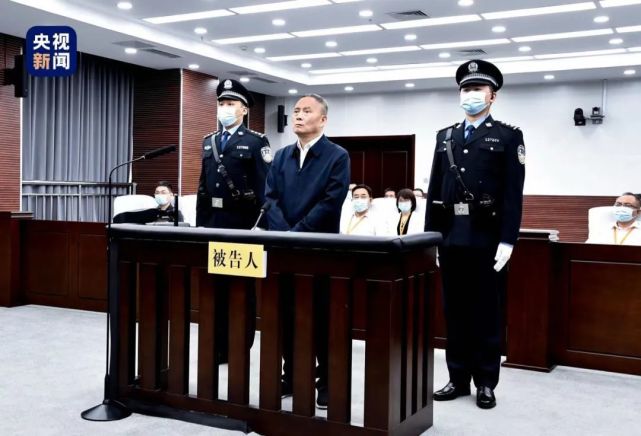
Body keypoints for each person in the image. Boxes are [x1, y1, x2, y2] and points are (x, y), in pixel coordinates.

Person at [425, 59, 525, 409]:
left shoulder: (508, 136)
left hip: (487, 238)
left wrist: (508, 239)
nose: (470, 94)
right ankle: (457, 377)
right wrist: (431, 238)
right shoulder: (445, 136)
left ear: (492, 96)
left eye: (477, 89)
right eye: (465, 89)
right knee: (454, 311)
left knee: (485, 312)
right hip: (451, 236)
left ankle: (485, 381)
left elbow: (513, 193)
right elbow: (435, 191)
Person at [265, 93, 350, 409]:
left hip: (319, 251)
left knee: (323, 319)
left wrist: (296, 233)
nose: (298, 115)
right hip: (285, 251)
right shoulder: (281, 155)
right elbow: (270, 198)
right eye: (296, 110)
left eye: (306, 111)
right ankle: (291, 376)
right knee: (288, 316)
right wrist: (284, 234)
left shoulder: (337, 156)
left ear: (323, 119)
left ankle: (326, 381)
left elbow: (331, 201)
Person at [196, 78, 272, 364]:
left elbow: (265, 189)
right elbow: (203, 186)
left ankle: (239, 345)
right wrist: (200, 225)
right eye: (221, 103)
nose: (224, 108)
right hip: (213, 224)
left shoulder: (255, 141)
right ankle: (218, 346)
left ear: (244, 110)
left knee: (241, 289)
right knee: (215, 288)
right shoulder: (209, 141)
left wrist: (260, 227)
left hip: (242, 225)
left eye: (230, 104)